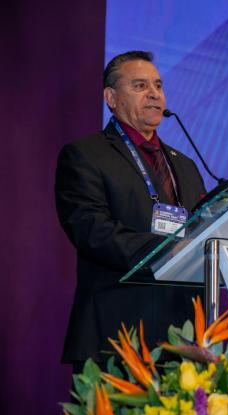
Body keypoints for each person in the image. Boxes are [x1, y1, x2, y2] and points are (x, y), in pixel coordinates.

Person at [55, 51, 206, 372]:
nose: (154, 94)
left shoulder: (186, 165)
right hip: (116, 334)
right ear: (111, 98)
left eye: (158, 86)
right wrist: (167, 249)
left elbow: (202, 231)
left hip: (185, 339)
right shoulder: (85, 155)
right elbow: (91, 230)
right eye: (140, 86)